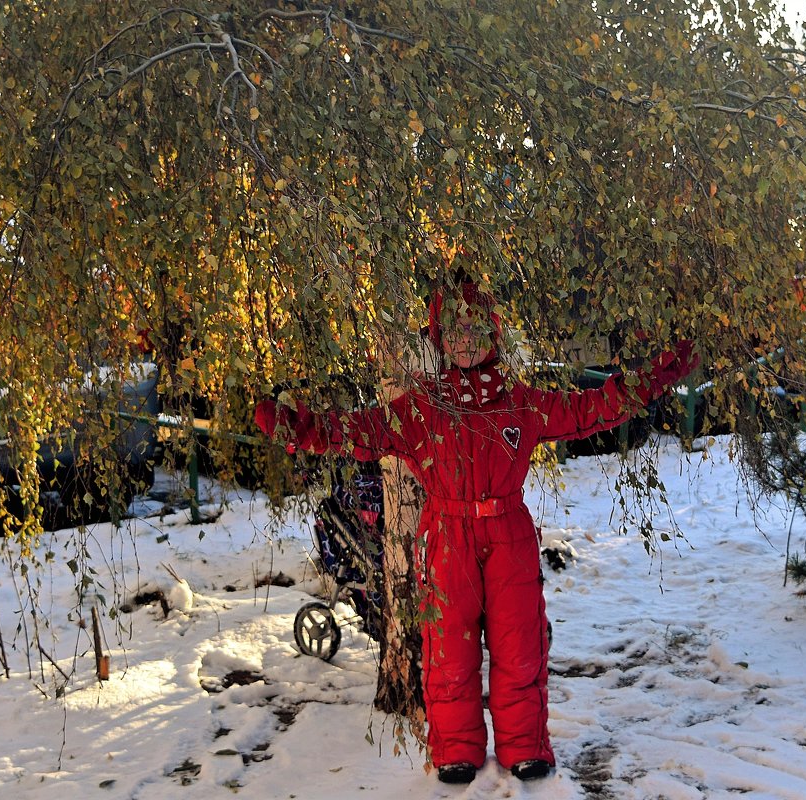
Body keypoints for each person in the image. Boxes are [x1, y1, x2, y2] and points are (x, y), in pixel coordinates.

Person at [255, 279, 698, 784]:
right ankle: (457, 749)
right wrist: (299, 427)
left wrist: (655, 377)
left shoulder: (519, 401)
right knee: (449, 648)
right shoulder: (422, 408)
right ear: (440, 339)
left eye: (476, 328)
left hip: (508, 532)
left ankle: (524, 745)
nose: (466, 340)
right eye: (454, 330)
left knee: (519, 644)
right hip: (447, 535)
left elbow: (590, 410)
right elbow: (358, 430)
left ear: (494, 334)